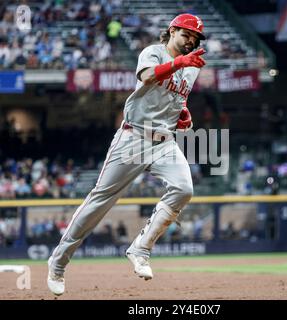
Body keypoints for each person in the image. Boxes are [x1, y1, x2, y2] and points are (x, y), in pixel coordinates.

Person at [47, 13, 206, 296]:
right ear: (172, 31)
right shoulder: (153, 52)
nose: (190, 42)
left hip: (164, 142)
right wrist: (180, 62)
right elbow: (146, 77)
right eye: (186, 35)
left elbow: (177, 99)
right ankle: (58, 262)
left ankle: (140, 249)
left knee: (184, 188)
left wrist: (183, 114)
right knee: (100, 202)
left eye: (194, 39)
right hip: (134, 137)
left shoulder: (192, 68)